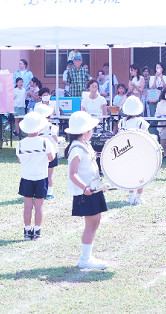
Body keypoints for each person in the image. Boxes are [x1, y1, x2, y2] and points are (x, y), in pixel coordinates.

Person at [65, 111, 108, 269]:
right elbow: (72, 174)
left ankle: (88, 255)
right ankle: (85, 259)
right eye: (90, 130)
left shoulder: (85, 145)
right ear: (84, 132)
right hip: (86, 193)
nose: (92, 132)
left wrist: (98, 186)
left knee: (95, 222)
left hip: (93, 190)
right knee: (90, 225)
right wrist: (85, 188)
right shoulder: (76, 149)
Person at [17, 112, 54, 240]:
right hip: (41, 177)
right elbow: (51, 158)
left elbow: (20, 160)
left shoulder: (21, 143)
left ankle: (27, 231)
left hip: (26, 177)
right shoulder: (45, 142)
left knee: (27, 206)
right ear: (40, 128)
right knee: (39, 206)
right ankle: (37, 231)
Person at [118, 96, 150, 205]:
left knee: (130, 173)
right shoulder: (141, 122)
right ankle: (139, 197)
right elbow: (147, 136)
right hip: (139, 151)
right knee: (141, 174)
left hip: (125, 152)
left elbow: (118, 137)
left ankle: (131, 196)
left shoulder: (122, 122)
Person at [35, 104, 58, 200]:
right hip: (51, 152)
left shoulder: (35, 128)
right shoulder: (52, 127)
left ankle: (39, 192)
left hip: (39, 152)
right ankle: (49, 193)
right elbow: (56, 139)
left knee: (40, 173)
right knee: (50, 173)